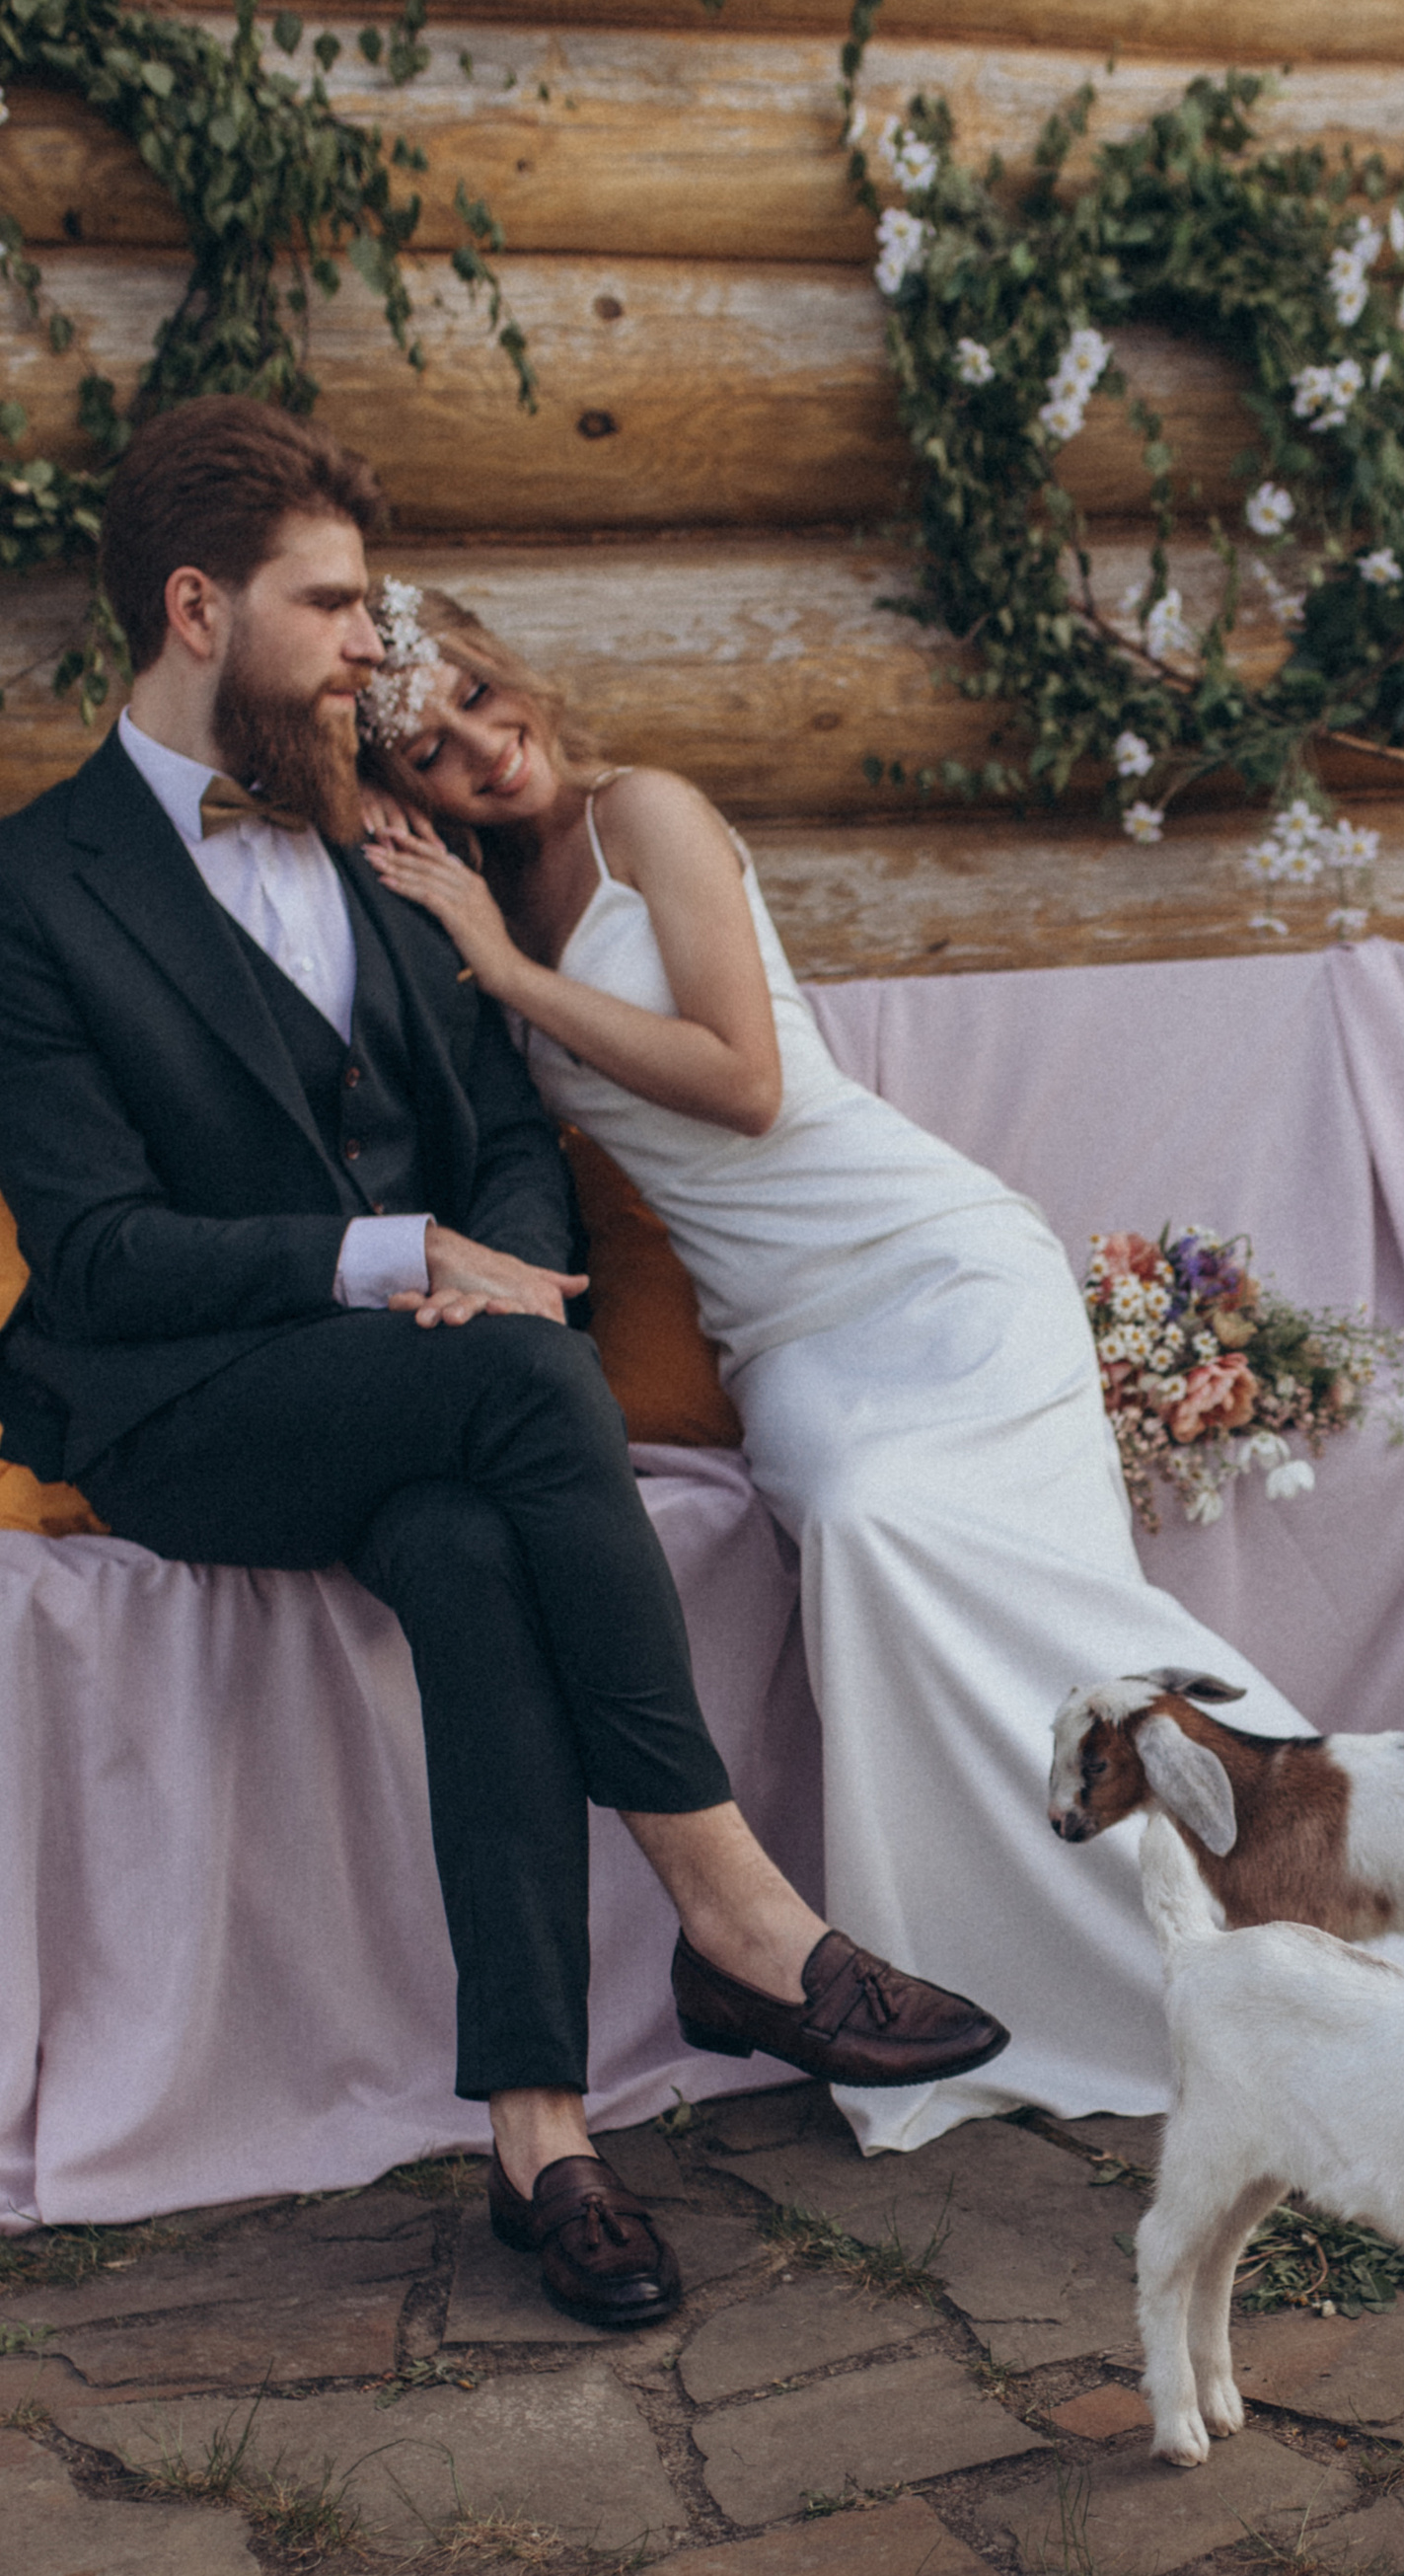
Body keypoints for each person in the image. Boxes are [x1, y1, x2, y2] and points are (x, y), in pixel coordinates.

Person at [0, 400, 1008, 2319]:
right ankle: (737, 1910)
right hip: (183, 1404)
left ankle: (540, 2132)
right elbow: (104, 1257)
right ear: (200, 609)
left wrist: (518, 1278)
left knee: (473, 1536)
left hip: (440, 1372)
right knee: (515, 1397)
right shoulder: (36, 890)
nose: (374, 647)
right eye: (336, 606)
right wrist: (399, 1261)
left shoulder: (386, 848)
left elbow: (508, 1142)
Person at [353, 579, 1309, 2150]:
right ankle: (978, 1987)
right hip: (782, 1342)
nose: (479, 744)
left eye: (473, 694)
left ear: (507, 671)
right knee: (864, 1535)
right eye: (430, 747)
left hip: (935, 1270)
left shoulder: (643, 812)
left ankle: (1302, 1887)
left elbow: (746, 1083)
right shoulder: (468, 903)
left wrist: (511, 976)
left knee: (1049, 1609)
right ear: (399, 794)